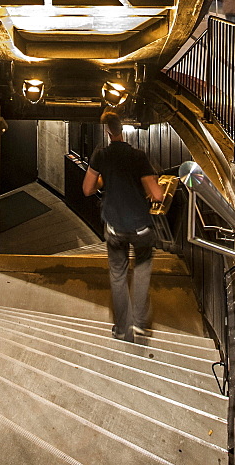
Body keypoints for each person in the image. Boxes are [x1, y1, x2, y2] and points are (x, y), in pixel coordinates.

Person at [82, 109, 164, 343]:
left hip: (115, 227)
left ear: (107, 132)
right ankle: (140, 326)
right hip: (141, 227)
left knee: (118, 276)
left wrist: (104, 179)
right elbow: (157, 195)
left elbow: (87, 189)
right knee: (141, 272)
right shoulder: (138, 156)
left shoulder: (101, 156)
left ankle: (121, 328)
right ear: (122, 130)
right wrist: (148, 184)